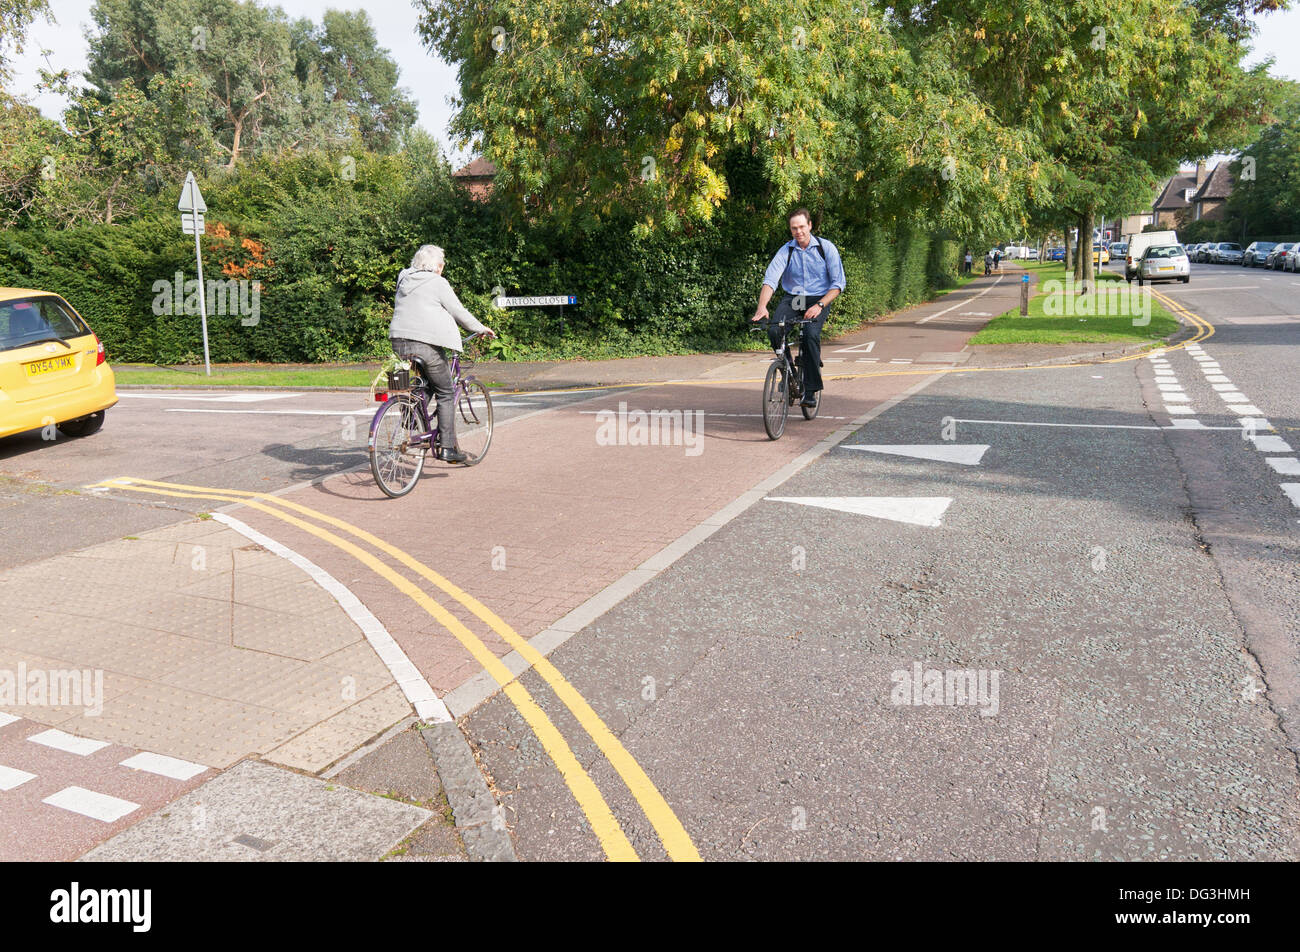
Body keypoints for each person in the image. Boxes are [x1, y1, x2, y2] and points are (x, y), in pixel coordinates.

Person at [388, 244, 496, 464]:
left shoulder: (404, 278)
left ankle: (411, 414)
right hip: (424, 345)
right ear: (437, 266)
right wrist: (480, 328)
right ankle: (447, 447)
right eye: (442, 264)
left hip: (398, 342)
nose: (442, 268)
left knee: (427, 382)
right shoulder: (438, 282)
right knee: (446, 392)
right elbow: (458, 311)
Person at [751, 208, 847, 408]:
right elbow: (771, 280)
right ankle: (790, 374)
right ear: (790, 229)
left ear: (810, 225)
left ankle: (810, 391)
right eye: (794, 228)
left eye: (802, 226)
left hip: (819, 298)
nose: (798, 231)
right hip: (796, 298)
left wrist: (820, 305)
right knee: (775, 330)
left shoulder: (825, 248)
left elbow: (838, 284)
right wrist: (762, 307)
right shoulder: (786, 250)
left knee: (810, 335)